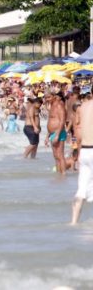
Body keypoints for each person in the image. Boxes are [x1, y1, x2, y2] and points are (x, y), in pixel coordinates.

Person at [72, 95, 93, 224]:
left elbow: (78, 132)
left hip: (84, 150)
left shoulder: (82, 107)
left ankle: (73, 222)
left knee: (81, 190)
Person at [46, 93, 68, 175]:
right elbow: (50, 121)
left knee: (60, 155)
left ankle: (64, 174)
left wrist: (57, 134)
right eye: (46, 98)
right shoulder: (51, 106)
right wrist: (47, 136)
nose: (47, 99)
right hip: (52, 133)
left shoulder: (59, 106)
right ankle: (59, 173)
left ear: (54, 96)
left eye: (49, 97)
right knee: (55, 156)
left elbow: (62, 120)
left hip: (59, 132)